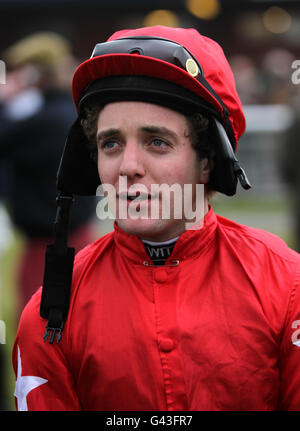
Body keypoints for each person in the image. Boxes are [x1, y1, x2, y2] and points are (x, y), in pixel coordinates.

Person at [12, 26, 300, 411]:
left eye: (157, 142)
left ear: (208, 161)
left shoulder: (288, 286)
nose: (128, 167)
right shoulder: (48, 312)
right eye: (110, 143)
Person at [0, 32, 96, 314]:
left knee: (39, 323)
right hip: (69, 232)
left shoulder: (46, 120)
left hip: (51, 242)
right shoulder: (67, 112)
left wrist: (7, 98)